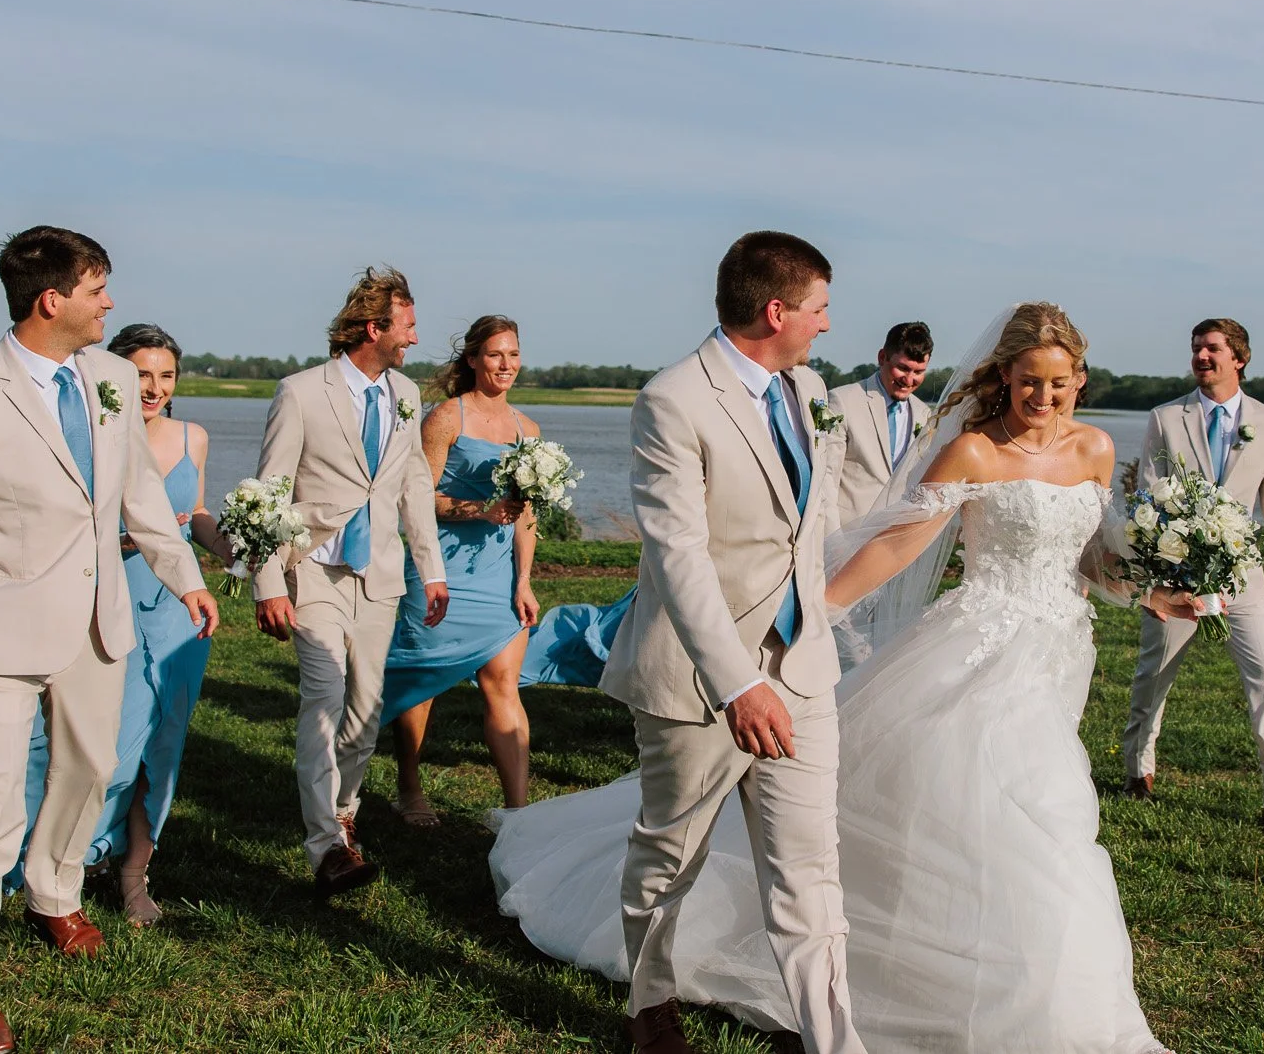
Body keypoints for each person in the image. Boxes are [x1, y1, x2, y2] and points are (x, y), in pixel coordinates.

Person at [489, 303, 1181, 1051]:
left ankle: (1001, 973)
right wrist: (814, 610)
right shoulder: (976, 452)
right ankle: (1019, 997)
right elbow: (898, 547)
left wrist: (1151, 589)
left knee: (1051, 805)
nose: (1044, 398)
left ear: (1080, 379)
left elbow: (1088, 558)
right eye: (1028, 382)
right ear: (1003, 377)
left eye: (1059, 383)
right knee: (1022, 812)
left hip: (1058, 654)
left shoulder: (1099, 449)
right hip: (980, 651)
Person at [518, 231, 864, 1054]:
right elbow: (677, 556)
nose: (827, 323)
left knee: (811, 872)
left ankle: (831, 1040)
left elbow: (806, 528)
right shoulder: (673, 399)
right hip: (698, 680)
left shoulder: (808, 386)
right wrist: (739, 682)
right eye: (819, 307)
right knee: (670, 852)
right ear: (776, 309)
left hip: (805, 669)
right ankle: (651, 999)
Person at [0, 227, 218, 1054]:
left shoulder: (110, 380)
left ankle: (54, 891)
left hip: (99, 618)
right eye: (97, 287)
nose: (109, 302)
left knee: (91, 766)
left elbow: (138, 492)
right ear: (53, 300)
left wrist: (186, 576)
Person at [252, 267, 450, 897]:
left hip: (380, 576)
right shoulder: (300, 392)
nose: (415, 338)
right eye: (408, 325)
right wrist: (267, 582)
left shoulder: (406, 396)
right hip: (313, 568)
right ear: (375, 327)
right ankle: (326, 847)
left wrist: (432, 568)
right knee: (324, 697)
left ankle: (344, 818)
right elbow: (271, 492)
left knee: (364, 713)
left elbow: (414, 485)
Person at [1119, 318, 1264, 836]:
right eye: (1196, 348)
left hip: (1243, 579)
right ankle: (1137, 770)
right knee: (1153, 676)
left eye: (1212, 349)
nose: (1201, 356)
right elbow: (1147, 501)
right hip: (1177, 579)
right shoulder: (1166, 418)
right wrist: (1154, 581)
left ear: (1238, 357)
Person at [88, 323, 233, 924]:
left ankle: (132, 875)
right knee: (107, 745)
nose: (153, 387)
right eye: (142, 374)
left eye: (165, 375)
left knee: (163, 742)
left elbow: (193, 512)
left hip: (178, 610)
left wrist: (229, 546)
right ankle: (78, 855)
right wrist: (126, 540)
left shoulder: (191, 436)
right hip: (109, 597)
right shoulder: (93, 433)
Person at [381, 315, 543, 826]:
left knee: (503, 684)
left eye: (513, 354)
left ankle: (518, 812)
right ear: (472, 359)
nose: (506, 364)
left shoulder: (528, 429)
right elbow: (417, 497)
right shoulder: (445, 419)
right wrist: (478, 509)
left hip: (498, 578)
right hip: (439, 571)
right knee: (421, 684)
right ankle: (410, 786)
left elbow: (527, 515)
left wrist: (524, 581)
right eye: (495, 354)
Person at [827, 321, 933, 526]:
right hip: (846, 538)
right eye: (903, 368)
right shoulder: (842, 401)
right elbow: (826, 482)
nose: (909, 380)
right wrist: (834, 546)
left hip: (895, 540)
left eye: (918, 372)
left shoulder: (924, 414)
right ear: (882, 357)